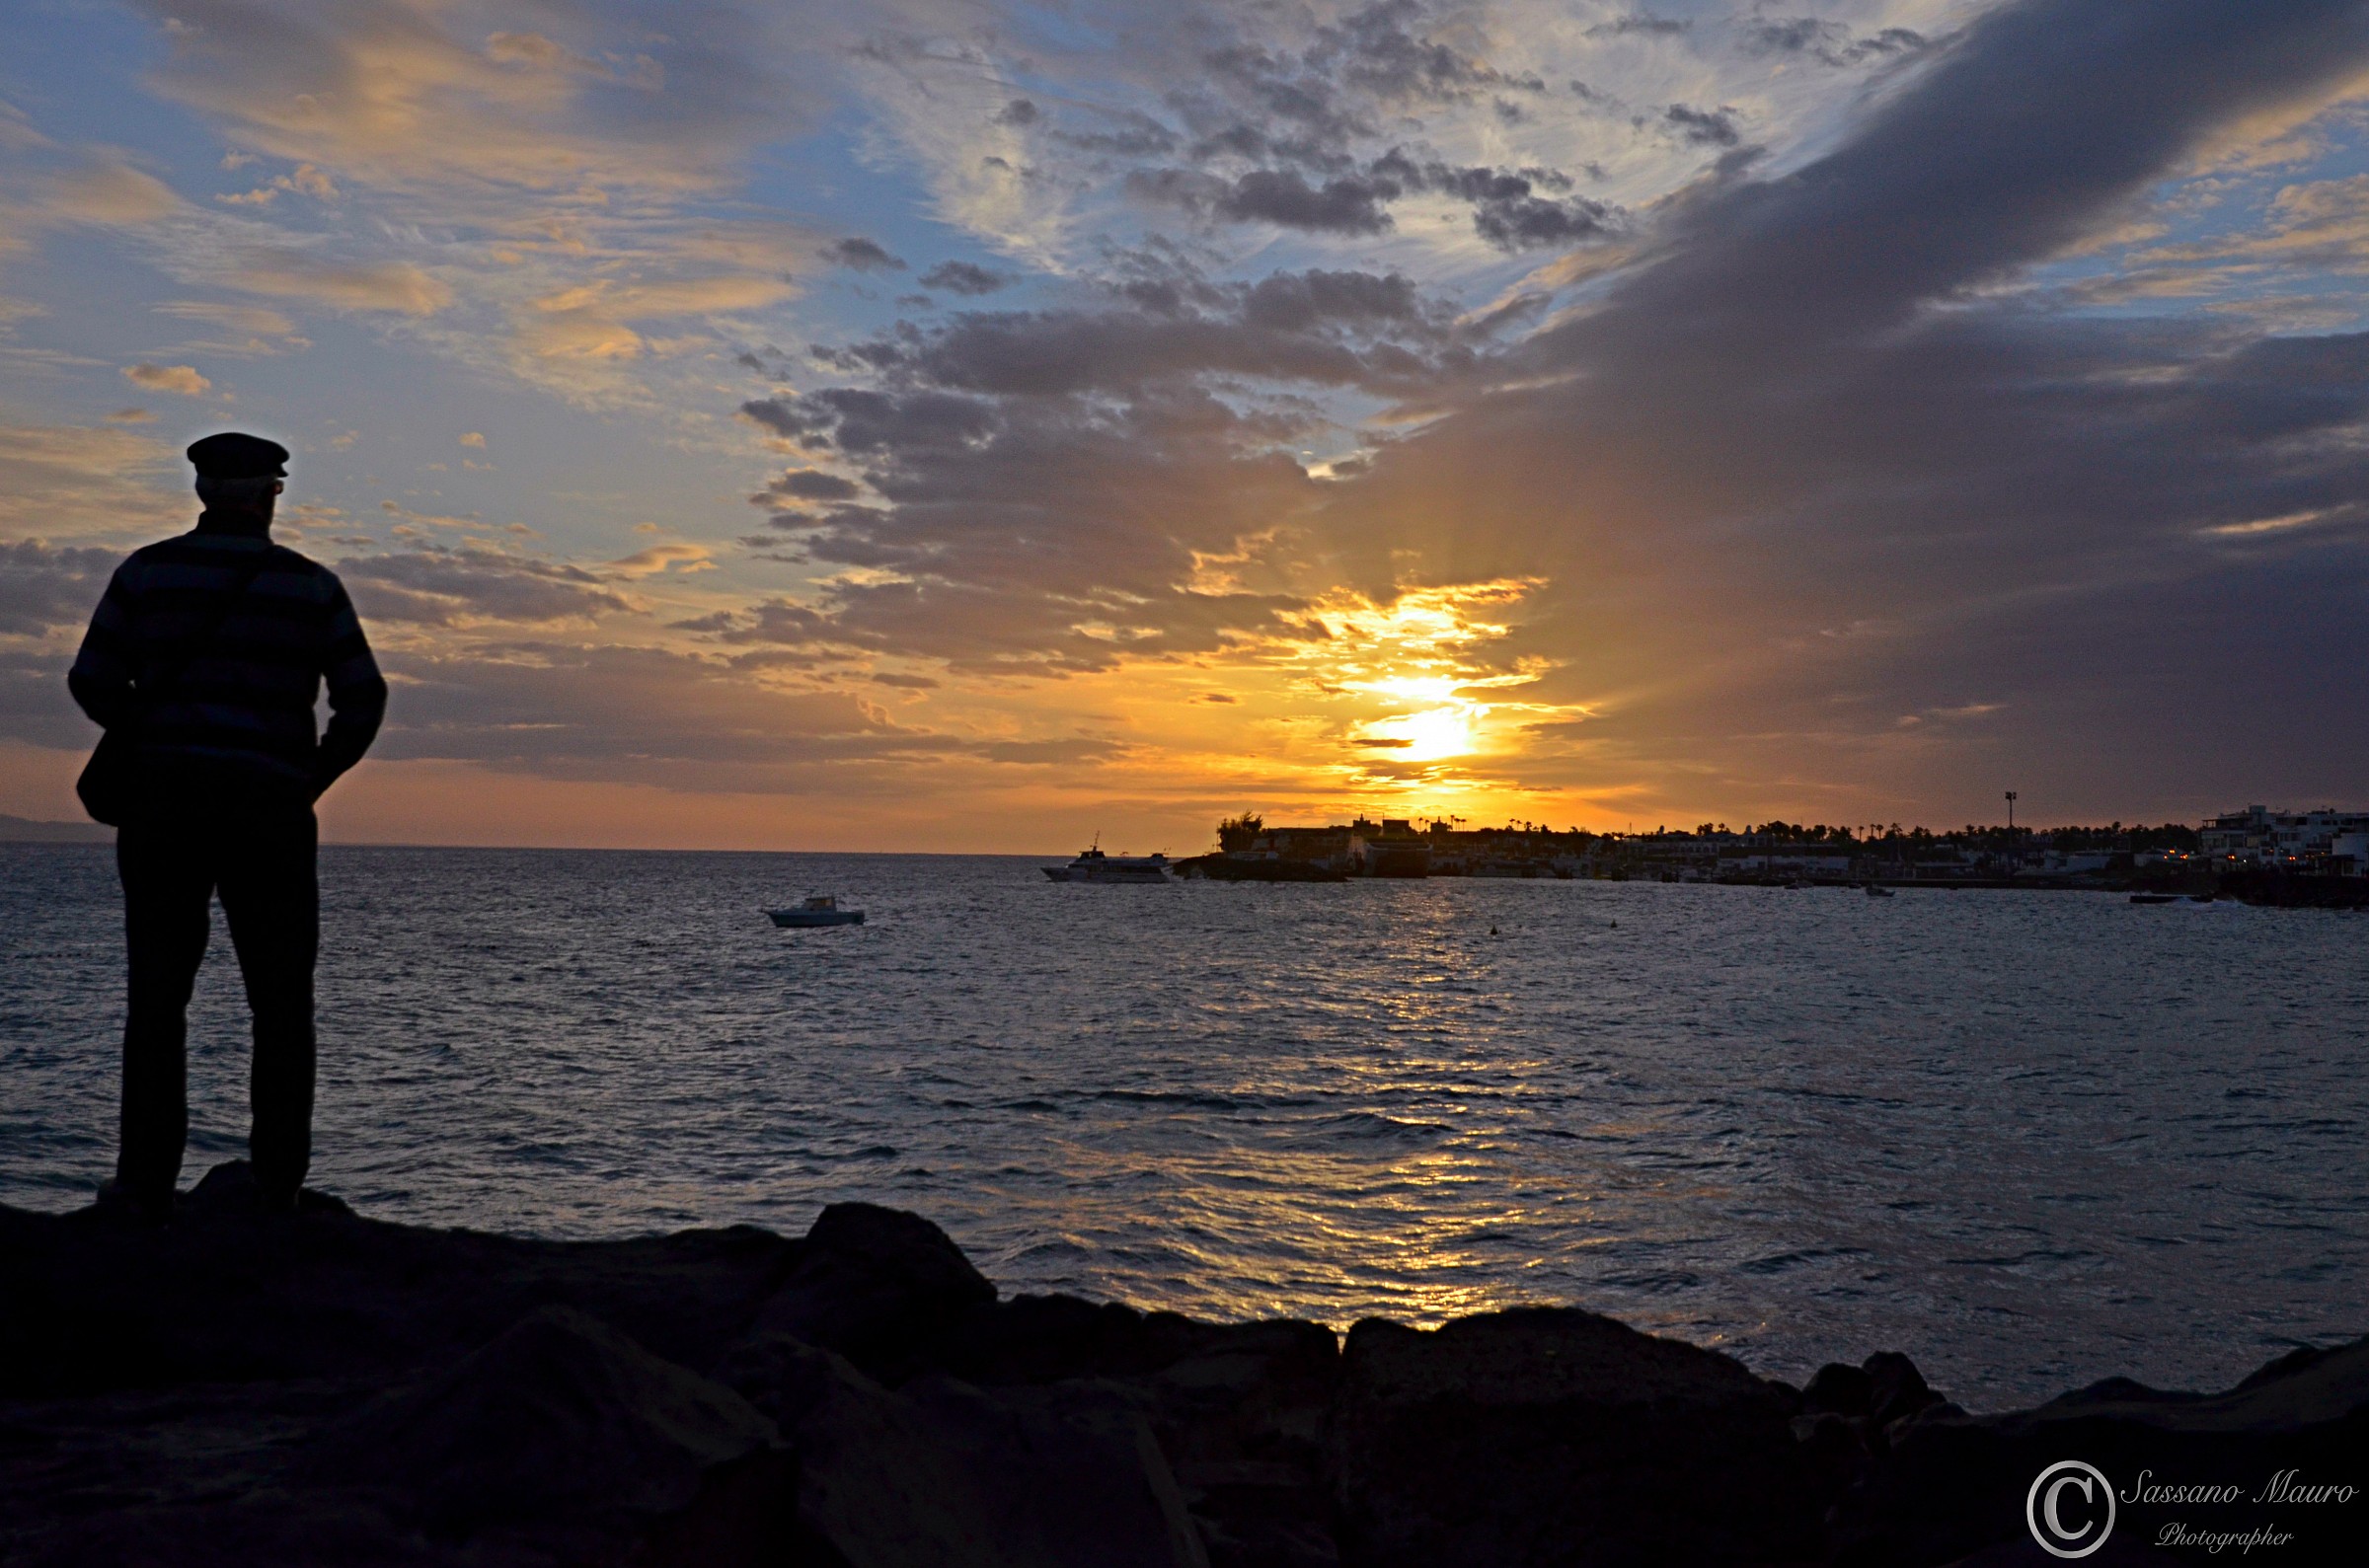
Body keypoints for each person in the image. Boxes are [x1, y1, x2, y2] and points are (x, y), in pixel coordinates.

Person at [68, 431, 387, 1218]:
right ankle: (277, 1184)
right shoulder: (312, 589)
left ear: (203, 491)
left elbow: (91, 677)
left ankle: (144, 1181)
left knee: (156, 999)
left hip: (163, 809)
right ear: (271, 494)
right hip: (270, 815)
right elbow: (363, 698)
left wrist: (149, 739)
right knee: (281, 1003)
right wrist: (308, 777)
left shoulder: (146, 573)